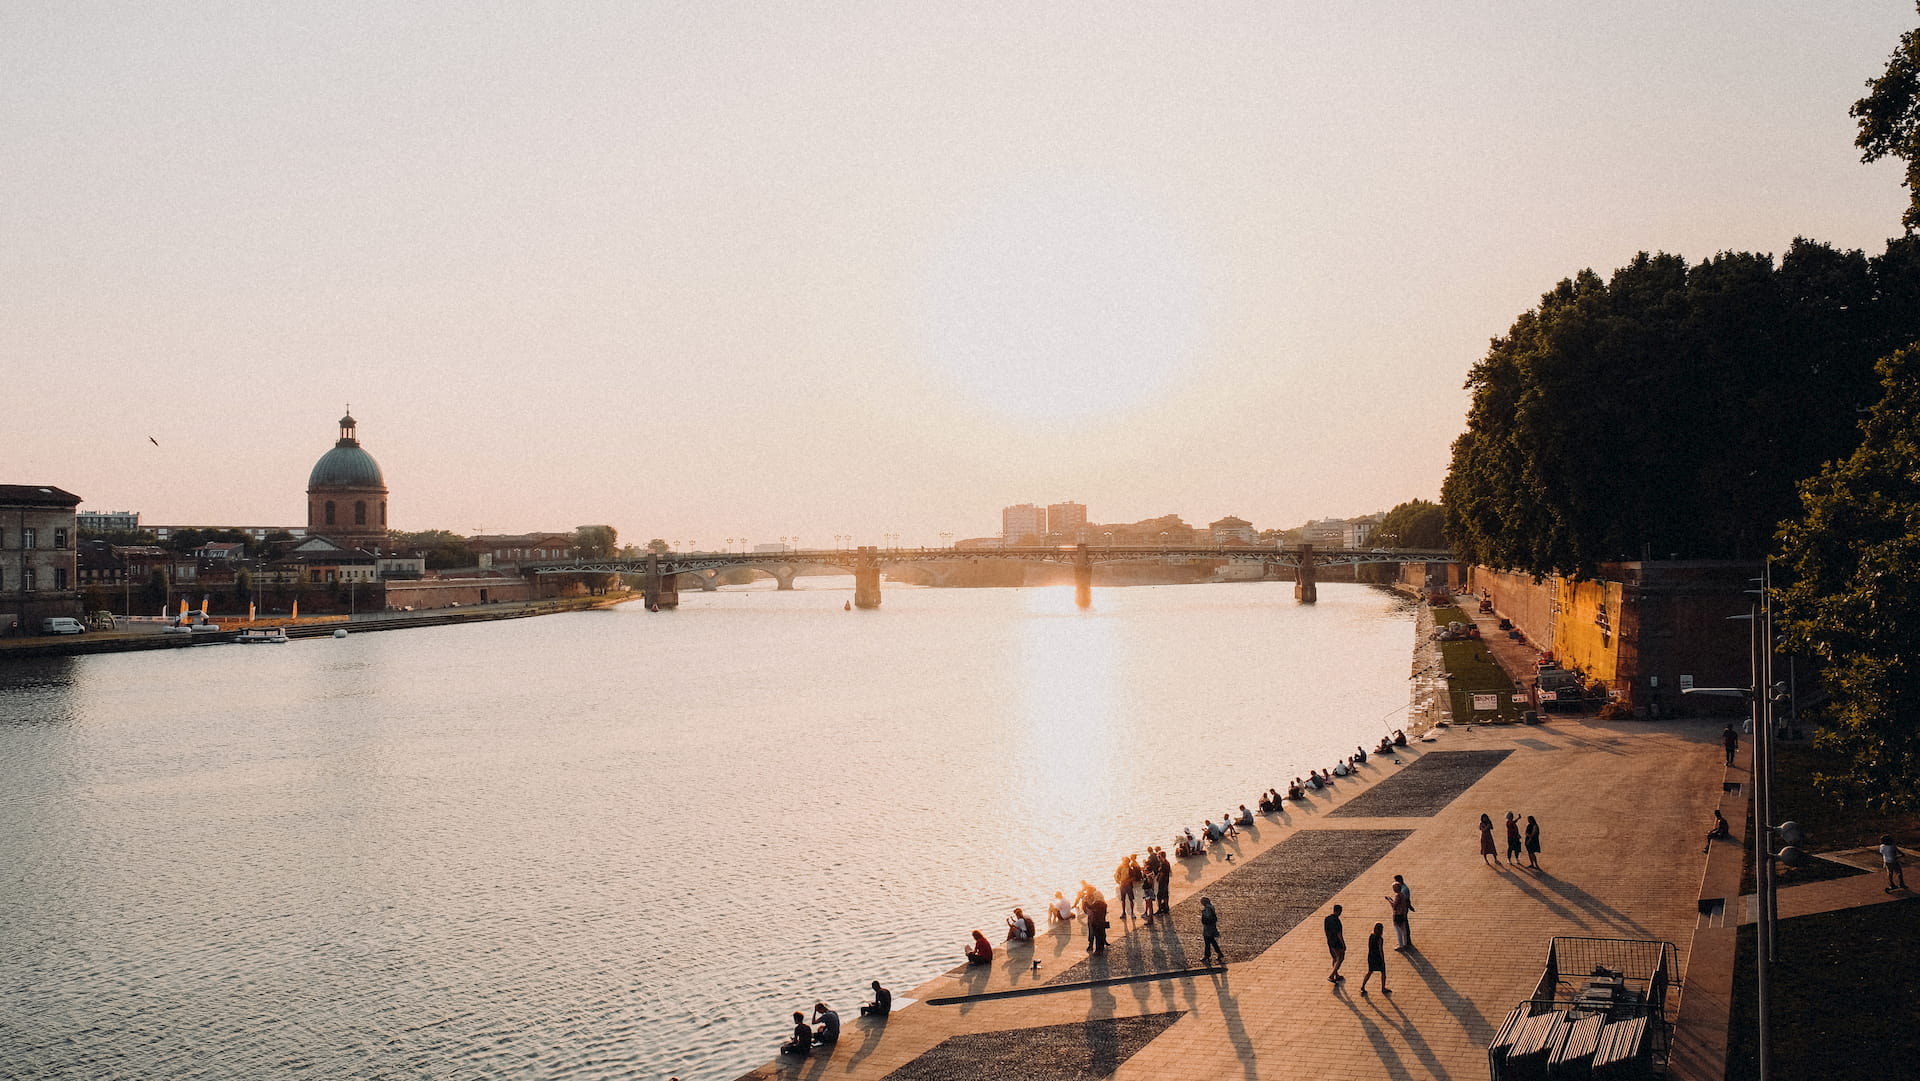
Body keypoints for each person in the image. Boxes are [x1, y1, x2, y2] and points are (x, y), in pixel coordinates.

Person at [1360, 922, 1391, 996]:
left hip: (1371, 956)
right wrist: (1383, 960)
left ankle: (1363, 986)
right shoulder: (1380, 939)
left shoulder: (1371, 936)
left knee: (1370, 972)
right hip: (1377, 957)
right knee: (1383, 972)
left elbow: (1369, 946)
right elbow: (1381, 950)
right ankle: (1383, 988)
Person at [1387, 879, 1412, 950]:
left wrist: (1389, 900)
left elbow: (1394, 906)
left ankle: (1400, 945)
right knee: (1404, 930)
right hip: (1403, 914)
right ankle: (1405, 944)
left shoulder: (1398, 896)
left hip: (1397, 914)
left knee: (1398, 930)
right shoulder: (1403, 895)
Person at [1324, 903, 1347, 982]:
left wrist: (1328, 939)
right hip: (1337, 942)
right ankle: (1331, 975)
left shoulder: (1327, 919)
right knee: (1340, 957)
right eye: (1340, 911)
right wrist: (1343, 944)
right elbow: (1339, 934)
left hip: (1330, 941)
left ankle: (1336, 975)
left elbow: (1326, 931)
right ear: (1338, 911)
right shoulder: (1337, 921)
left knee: (1334, 958)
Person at [1199, 897, 1224, 966]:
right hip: (1212, 927)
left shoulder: (1207, 909)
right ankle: (1219, 953)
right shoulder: (1211, 907)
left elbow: (1208, 917)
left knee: (1207, 942)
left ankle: (1207, 956)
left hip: (1208, 928)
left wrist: (1203, 913)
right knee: (1212, 941)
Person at [1084, 888, 1110, 954]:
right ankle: (1101, 949)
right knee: (1101, 935)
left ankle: (1097, 950)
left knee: (1097, 936)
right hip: (1102, 921)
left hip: (1095, 921)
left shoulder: (1096, 903)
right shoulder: (1104, 904)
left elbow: (1090, 907)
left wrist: (1085, 903)